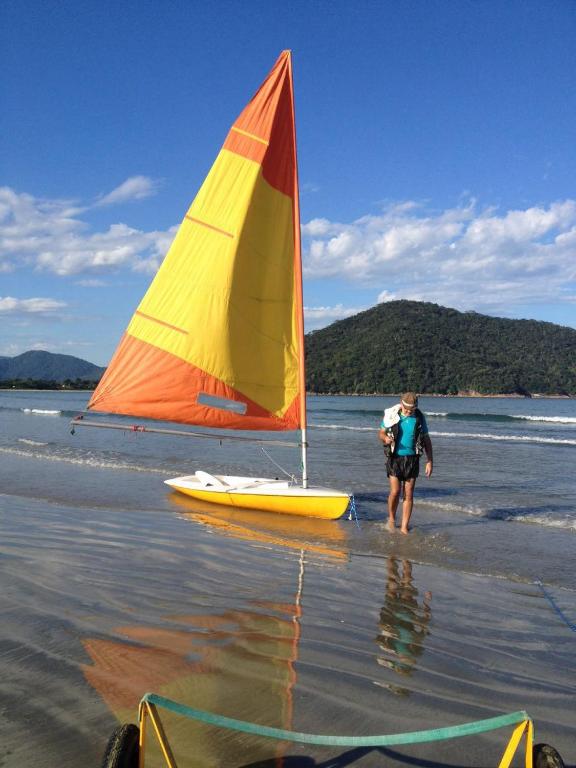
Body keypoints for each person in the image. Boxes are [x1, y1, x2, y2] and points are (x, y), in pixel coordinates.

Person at [379, 392, 433, 534]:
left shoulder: (419, 418)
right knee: (395, 492)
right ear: (401, 404)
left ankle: (404, 527)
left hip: (412, 459)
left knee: (408, 494)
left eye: (412, 410)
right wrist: (385, 439)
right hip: (395, 458)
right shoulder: (392, 415)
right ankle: (391, 518)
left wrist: (429, 461)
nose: (408, 412)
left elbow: (426, 440)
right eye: (406, 409)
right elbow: (381, 432)